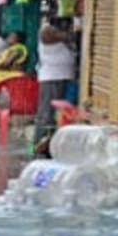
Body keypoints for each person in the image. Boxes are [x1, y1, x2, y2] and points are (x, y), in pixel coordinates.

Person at [34, 17, 77, 148]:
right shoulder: (46, 31)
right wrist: (74, 33)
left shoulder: (58, 34)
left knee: (62, 114)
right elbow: (62, 37)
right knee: (47, 113)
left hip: (64, 77)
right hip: (51, 78)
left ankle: (52, 143)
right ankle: (40, 144)